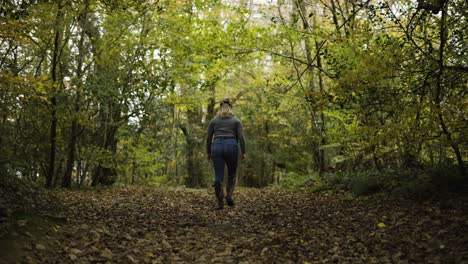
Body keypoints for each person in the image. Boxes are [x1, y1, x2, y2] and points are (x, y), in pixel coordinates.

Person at [206, 98, 246, 210]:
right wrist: (243, 151)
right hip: (231, 145)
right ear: (230, 108)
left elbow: (209, 138)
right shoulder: (236, 120)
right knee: (232, 174)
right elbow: (241, 138)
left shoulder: (214, 120)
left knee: (218, 175)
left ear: (220, 108)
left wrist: (208, 152)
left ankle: (219, 203)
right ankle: (229, 196)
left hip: (217, 146)